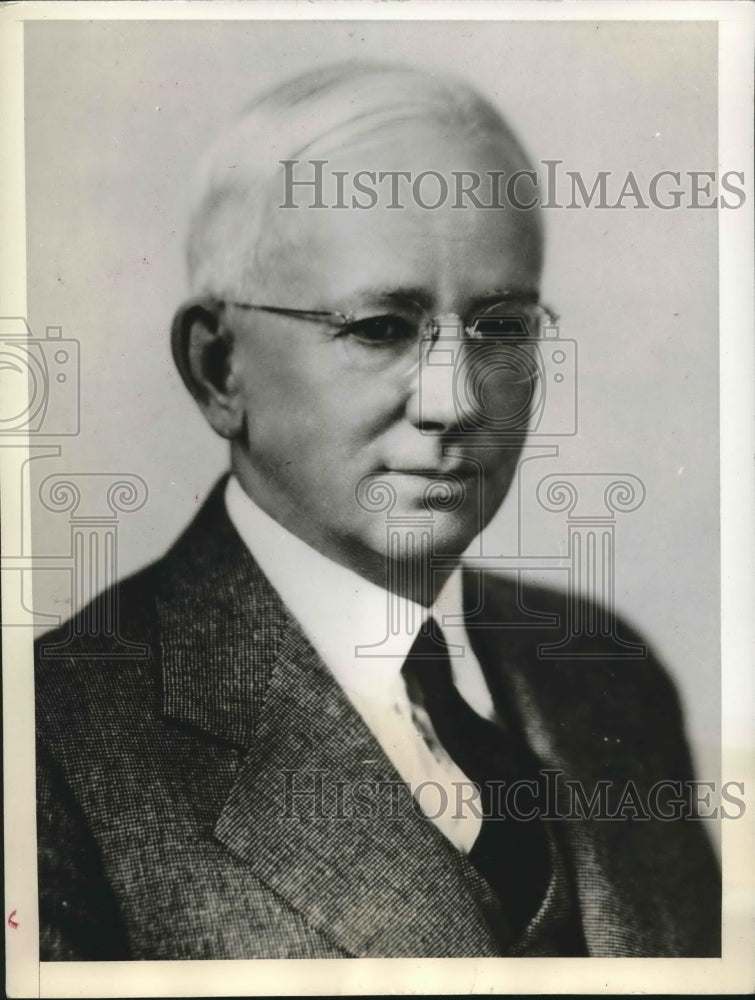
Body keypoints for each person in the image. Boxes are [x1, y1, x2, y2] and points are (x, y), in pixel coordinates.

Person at [35, 61, 720, 960]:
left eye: (502, 327)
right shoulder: (53, 745)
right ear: (217, 368)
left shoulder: (606, 672)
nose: (454, 400)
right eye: (379, 330)